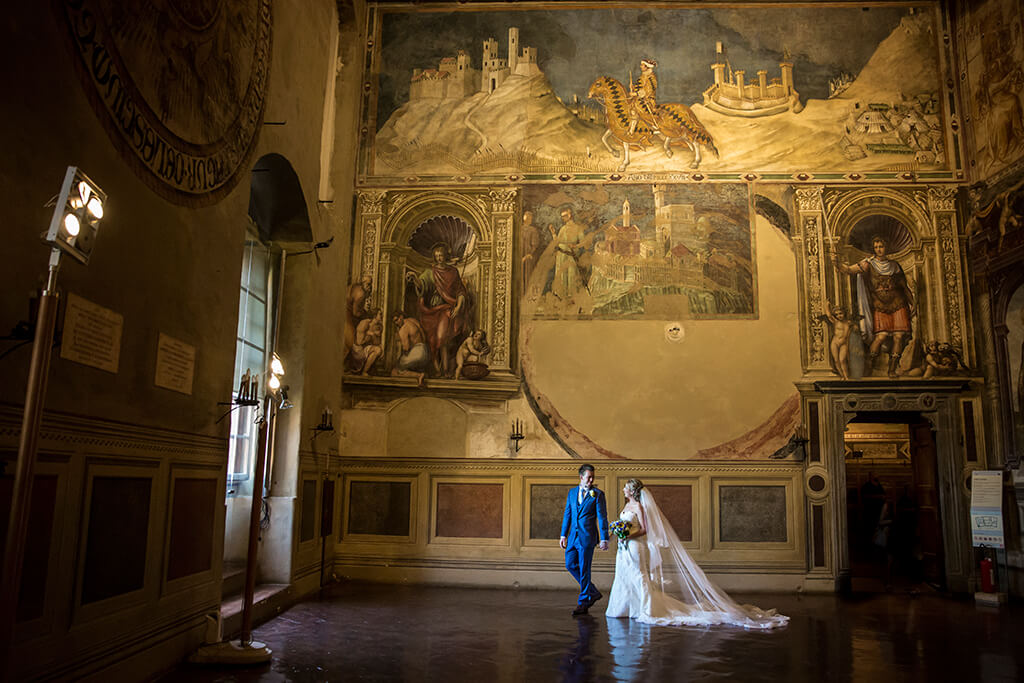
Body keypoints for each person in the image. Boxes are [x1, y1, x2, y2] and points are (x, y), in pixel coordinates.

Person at [605, 479, 788, 629]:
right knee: (624, 575)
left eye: (626, 487)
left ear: (632, 490)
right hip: (624, 547)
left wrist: (628, 535)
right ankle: (626, 608)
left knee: (639, 575)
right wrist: (617, 535)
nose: (623, 489)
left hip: (636, 545)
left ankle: (646, 609)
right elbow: (623, 525)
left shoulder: (640, 507)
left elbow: (645, 529)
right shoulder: (627, 504)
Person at [831, 236, 915, 378]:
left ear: (886, 247)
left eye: (881, 246)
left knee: (899, 337)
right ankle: (869, 365)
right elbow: (848, 270)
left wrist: (913, 304)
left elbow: (904, 287)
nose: (879, 249)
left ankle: (892, 369)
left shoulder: (895, 265)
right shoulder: (867, 264)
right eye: (876, 247)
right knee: (881, 337)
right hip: (880, 306)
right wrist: (836, 262)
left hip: (899, 304)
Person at [407, 242, 469, 377]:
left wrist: (458, 306)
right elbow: (422, 287)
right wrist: (415, 279)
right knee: (433, 342)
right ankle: (437, 371)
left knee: (442, 340)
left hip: (446, 309)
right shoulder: (430, 272)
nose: (439, 258)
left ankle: (446, 370)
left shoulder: (453, 272)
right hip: (431, 311)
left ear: (446, 255)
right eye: (437, 256)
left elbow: (461, 292)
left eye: (441, 255)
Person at [560, 464, 609, 616]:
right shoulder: (572, 492)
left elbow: (602, 517)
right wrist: (563, 535)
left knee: (584, 569)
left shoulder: (598, 494)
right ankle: (592, 592)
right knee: (570, 564)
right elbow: (568, 514)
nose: (591, 480)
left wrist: (604, 538)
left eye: (593, 477)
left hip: (587, 538)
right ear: (581, 477)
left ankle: (583, 602)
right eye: (589, 477)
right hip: (573, 537)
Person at [549, 207, 587, 302]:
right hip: (561, 255)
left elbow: (584, 242)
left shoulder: (578, 228)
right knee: (562, 276)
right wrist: (553, 233)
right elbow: (557, 242)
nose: (563, 218)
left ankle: (572, 298)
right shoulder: (563, 228)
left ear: (569, 215)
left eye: (564, 216)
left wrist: (575, 246)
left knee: (571, 276)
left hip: (571, 255)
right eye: (562, 217)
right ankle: (562, 298)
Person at [818, 301, 862, 380]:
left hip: (844, 343)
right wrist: (827, 305)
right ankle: (842, 376)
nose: (839, 316)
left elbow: (855, 325)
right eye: (837, 314)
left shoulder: (848, 322)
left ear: (844, 313)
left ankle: (846, 377)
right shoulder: (835, 321)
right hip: (835, 343)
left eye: (840, 313)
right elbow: (828, 315)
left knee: (842, 360)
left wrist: (855, 326)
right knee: (836, 360)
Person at [391, 311, 430, 387]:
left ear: (401, 317)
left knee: (394, 372)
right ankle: (421, 372)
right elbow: (423, 335)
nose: (396, 323)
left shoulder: (403, 329)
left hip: (417, 354)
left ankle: (419, 375)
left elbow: (406, 348)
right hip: (425, 351)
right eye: (394, 321)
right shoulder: (412, 320)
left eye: (396, 320)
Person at [628, 58, 658, 135]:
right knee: (632, 109)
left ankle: (653, 126)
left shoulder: (651, 77)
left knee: (639, 108)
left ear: (646, 67)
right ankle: (632, 130)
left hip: (648, 99)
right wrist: (633, 87)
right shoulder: (642, 76)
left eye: (642, 65)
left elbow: (649, 89)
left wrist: (635, 94)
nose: (640, 66)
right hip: (639, 98)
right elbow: (639, 87)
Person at [348, 309, 383, 375]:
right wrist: (370, 334)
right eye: (380, 314)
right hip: (357, 350)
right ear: (375, 316)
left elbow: (377, 343)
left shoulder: (379, 326)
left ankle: (365, 371)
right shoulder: (365, 323)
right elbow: (359, 342)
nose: (382, 316)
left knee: (378, 350)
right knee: (378, 350)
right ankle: (363, 371)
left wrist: (374, 336)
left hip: (366, 349)